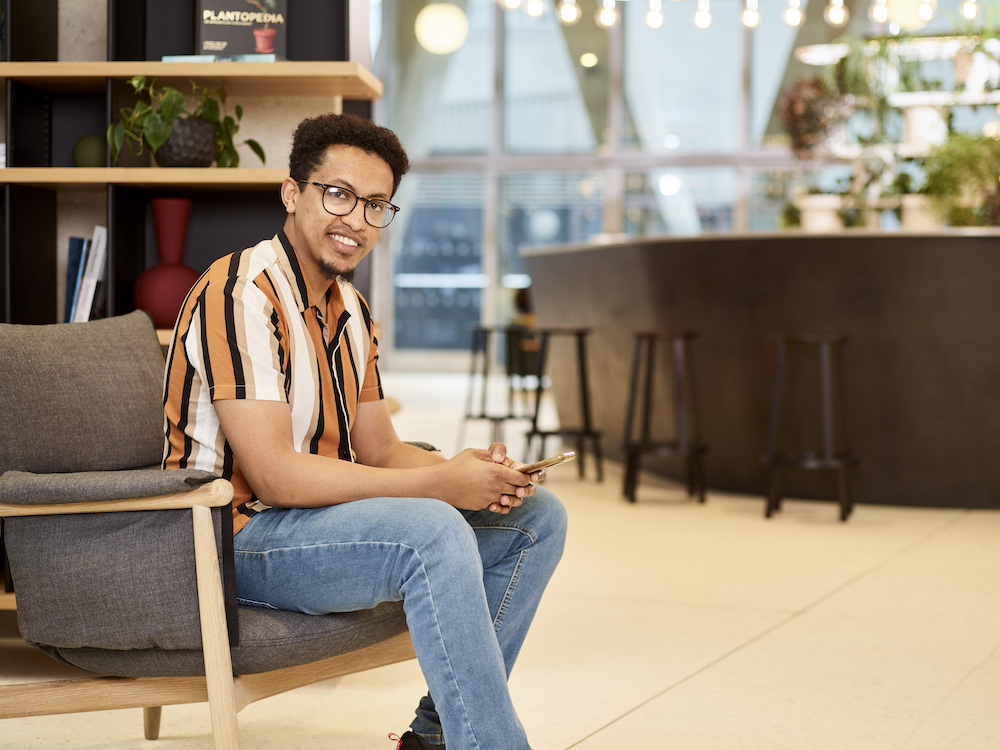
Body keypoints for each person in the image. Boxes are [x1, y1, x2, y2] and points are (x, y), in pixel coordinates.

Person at [161, 112, 568, 750]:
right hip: (232, 538)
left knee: (537, 519)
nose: (356, 220)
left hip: (314, 523)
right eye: (338, 194)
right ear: (292, 194)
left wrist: (471, 474)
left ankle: (434, 739)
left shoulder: (351, 309)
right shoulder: (240, 293)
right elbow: (274, 475)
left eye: (375, 204)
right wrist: (441, 487)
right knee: (431, 530)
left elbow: (381, 450)